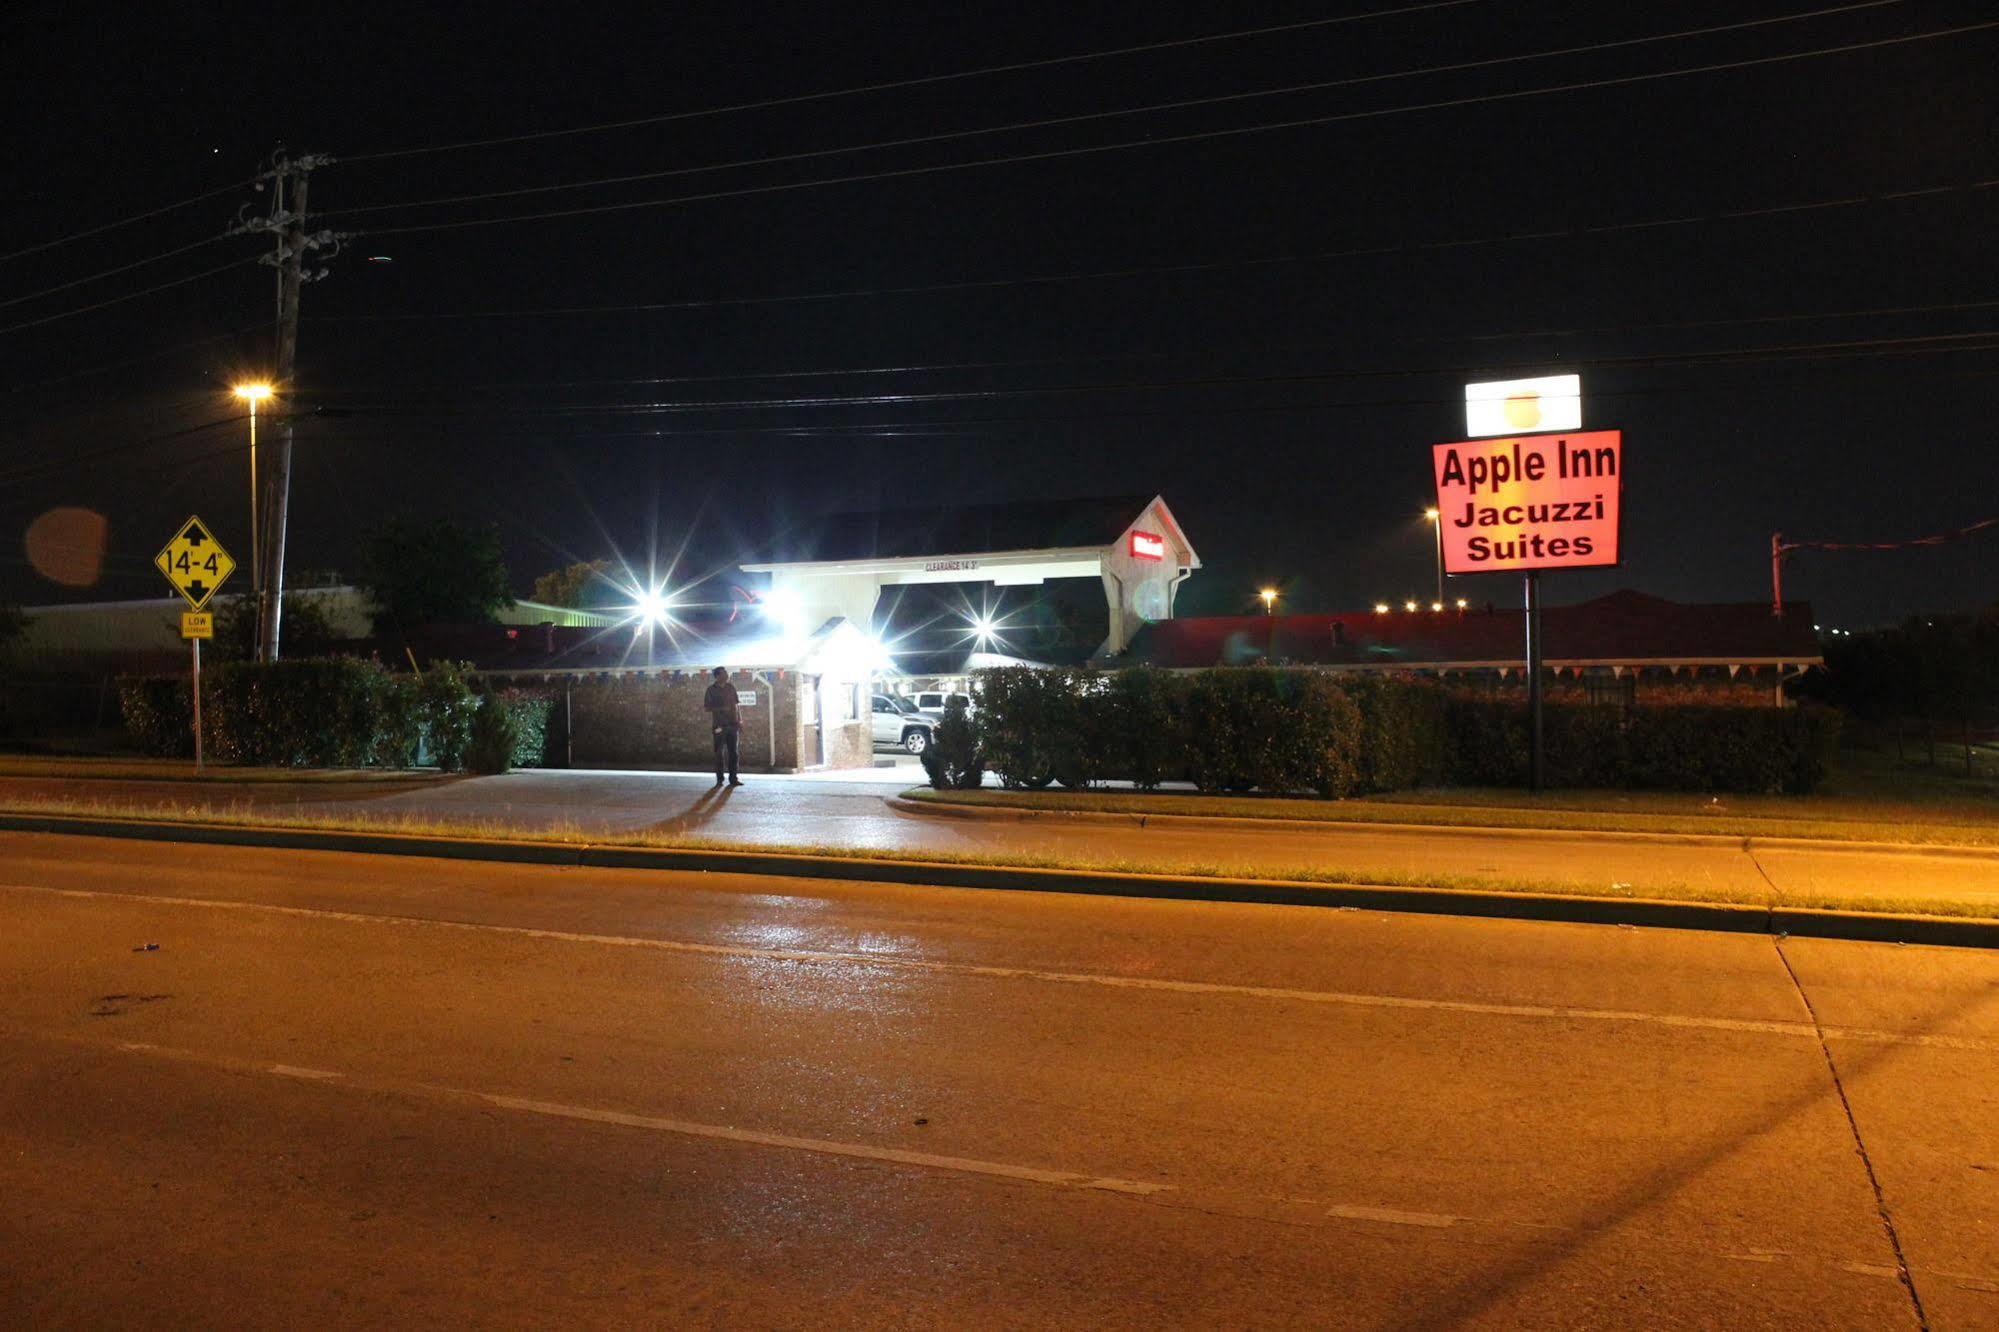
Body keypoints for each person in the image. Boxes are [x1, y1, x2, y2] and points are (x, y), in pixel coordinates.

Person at [702, 665, 742, 786]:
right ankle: (720, 779)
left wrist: (740, 720)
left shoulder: (731, 688)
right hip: (719, 725)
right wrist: (721, 708)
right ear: (718, 676)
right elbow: (707, 708)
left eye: (726, 673)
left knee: (733, 753)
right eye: (724, 673)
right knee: (719, 753)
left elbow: (736, 705)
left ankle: (733, 778)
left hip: (733, 725)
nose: (727, 675)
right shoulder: (711, 690)